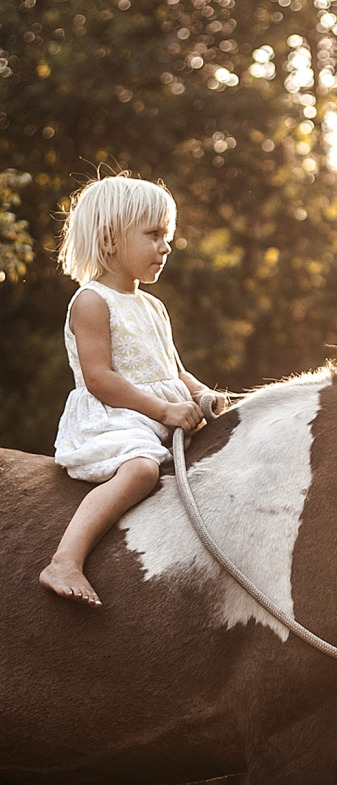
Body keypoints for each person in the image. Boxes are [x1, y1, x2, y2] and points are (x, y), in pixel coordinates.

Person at [39, 172, 226, 608]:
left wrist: (202, 396)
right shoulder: (92, 301)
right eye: (154, 235)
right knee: (141, 470)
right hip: (116, 417)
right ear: (108, 241)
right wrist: (163, 411)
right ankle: (65, 559)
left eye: (169, 236)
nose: (166, 246)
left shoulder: (154, 306)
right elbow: (99, 378)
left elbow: (175, 370)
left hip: (161, 414)